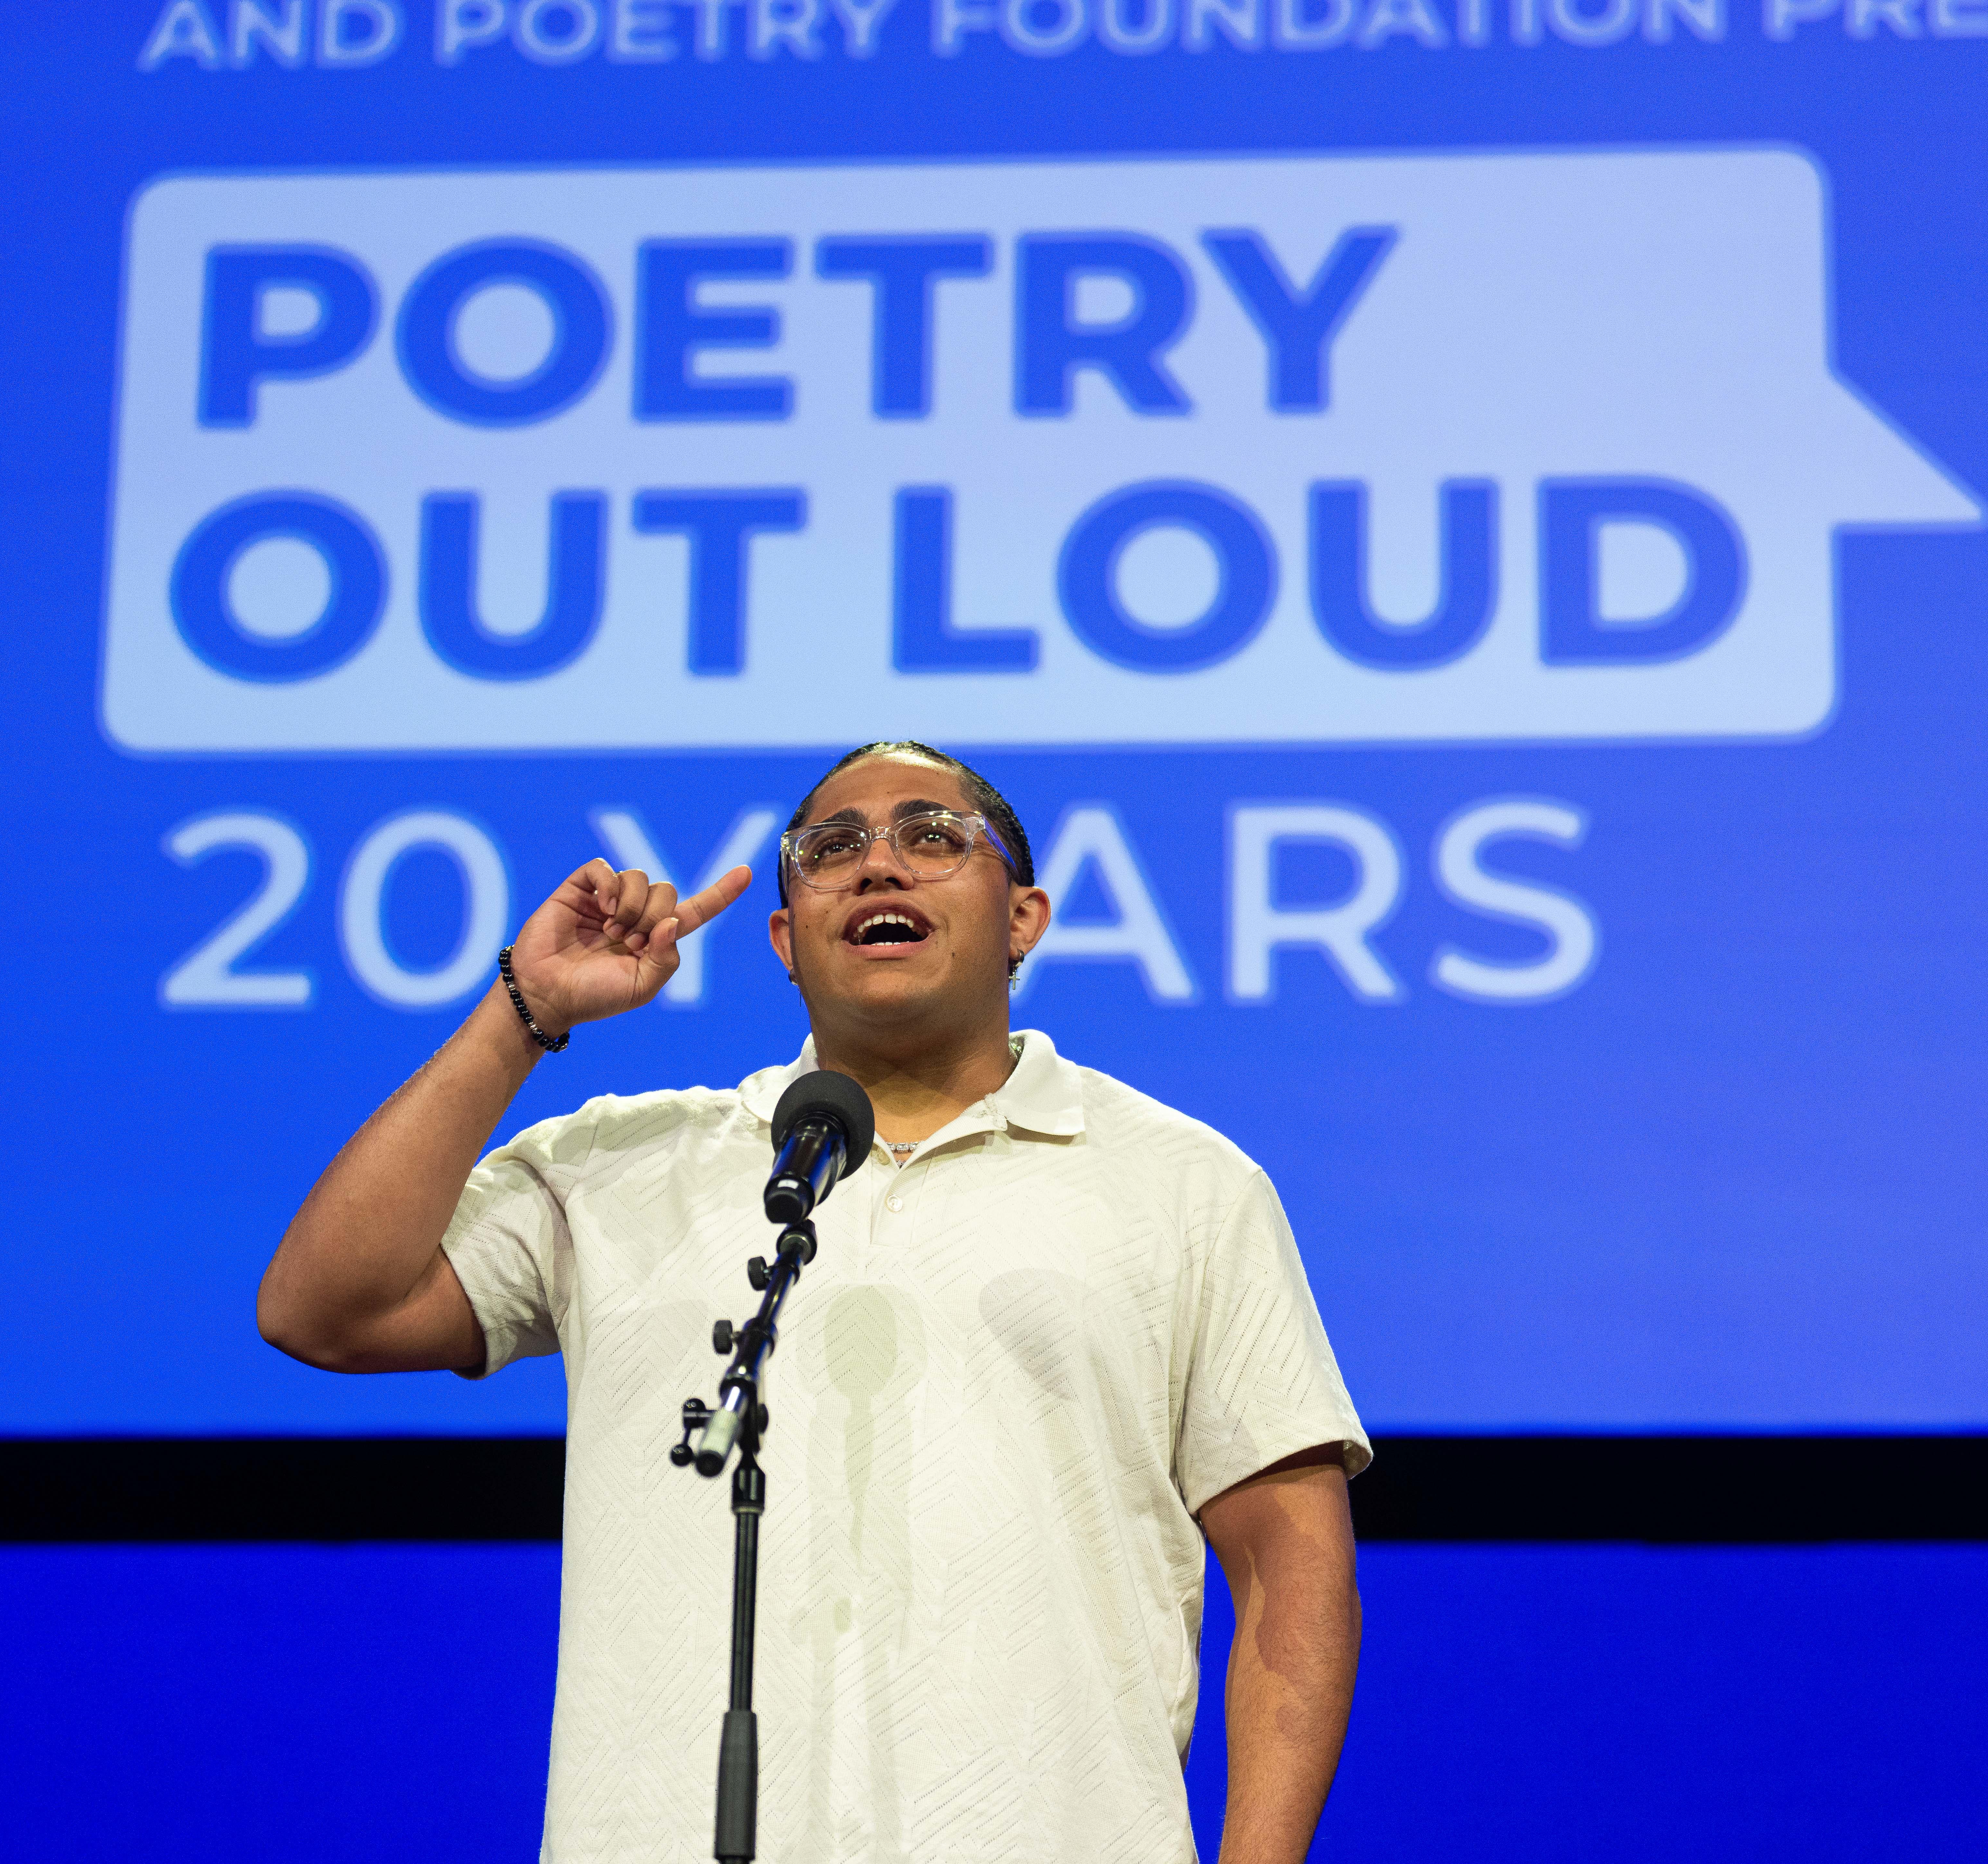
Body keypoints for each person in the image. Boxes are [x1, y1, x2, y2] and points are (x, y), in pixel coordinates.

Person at [258, 740, 1369, 1864]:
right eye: (834, 849)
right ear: (786, 940)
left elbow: (1292, 1567)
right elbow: (326, 1309)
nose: (880, 866)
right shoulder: (625, 1165)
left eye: (933, 838)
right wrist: (525, 1010)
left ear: (1025, 916)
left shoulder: (1179, 1181)